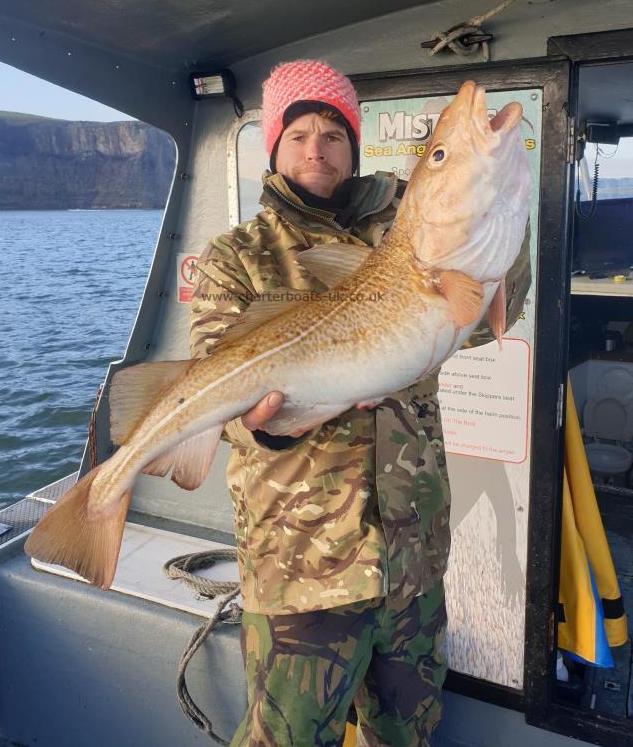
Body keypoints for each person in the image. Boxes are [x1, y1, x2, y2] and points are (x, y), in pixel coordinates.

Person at [190, 60, 531, 746]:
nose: (316, 148)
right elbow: (216, 390)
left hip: (412, 562)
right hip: (303, 572)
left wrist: (497, 232)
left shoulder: (402, 236)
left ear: (353, 147)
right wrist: (269, 428)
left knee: (405, 737)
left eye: (332, 135)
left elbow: (490, 316)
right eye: (298, 135)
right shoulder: (237, 256)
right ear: (275, 150)